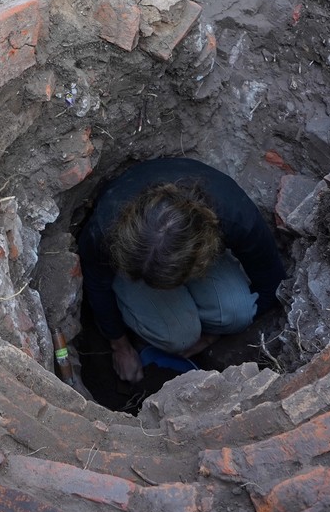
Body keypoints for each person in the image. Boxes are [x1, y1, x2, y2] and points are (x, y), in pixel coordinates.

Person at [78, 158, 286, 383]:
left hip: (187, 249)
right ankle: (154, 330)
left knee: (238, 314)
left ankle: (178, 318)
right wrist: (120, 346)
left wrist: (208, 339)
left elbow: (271, 281)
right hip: (135, 259)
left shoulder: (233, 216)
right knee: (179, 337)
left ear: (201, 256)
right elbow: (97, 285)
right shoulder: (105, 229)